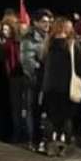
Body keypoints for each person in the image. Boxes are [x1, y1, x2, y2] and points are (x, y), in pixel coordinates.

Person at [41, 17, 81, 156]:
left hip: (49, 86)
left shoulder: (48, 44)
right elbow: (80, 66)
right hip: (67, 87)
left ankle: (50, 145)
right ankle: (66, 146)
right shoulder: (73, 45)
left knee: (50, 117)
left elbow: (43, 64)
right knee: (67, 117)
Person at [20, 10, 53, 151]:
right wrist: (39, 70)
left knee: (42, 111)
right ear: (36, 22)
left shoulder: (48, 37)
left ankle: (42, 138)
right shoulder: (30, 38)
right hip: (34, 80)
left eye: (49, 22)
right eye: (44, 21)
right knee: (33, 110)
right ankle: (33, 139)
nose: (47, 24)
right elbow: (27, 62)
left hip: (46, 80)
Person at [2, 20, 24, 143]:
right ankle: (20, 132)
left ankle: (17, 133)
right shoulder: (19, 42)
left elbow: (8, 62)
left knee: (16, 107)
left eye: (6, 29)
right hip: (19, 76)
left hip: (14, 77)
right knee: (21, 107)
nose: (4, 32)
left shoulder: (9, 43)